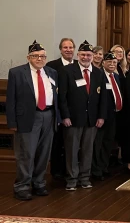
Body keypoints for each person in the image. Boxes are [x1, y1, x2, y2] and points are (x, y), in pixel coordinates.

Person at [7, 40, 59, 201]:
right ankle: (22, 186)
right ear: (28, 57)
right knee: (26, 154)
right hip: (28, 118)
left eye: (42, 56)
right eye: (35, 56)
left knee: (44, 153)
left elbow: (56, 95)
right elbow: (11, 100)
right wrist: (12, 122)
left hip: (49, 116)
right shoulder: (17, 72)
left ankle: (39, 183)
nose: (39, 59)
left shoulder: (51, 72)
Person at [58, 40, 107, 191]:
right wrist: (65, 116)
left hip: (92, 119)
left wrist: (101, 116)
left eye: (89, 55)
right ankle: (72, 179)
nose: (86, 57)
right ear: (77, 55)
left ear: (93, 56)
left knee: (88, 149)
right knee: (71, 149)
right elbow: (62, 97)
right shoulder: (67, 70)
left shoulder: (99, 73)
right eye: (83, 54)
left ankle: (85, 178)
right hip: (72, 119)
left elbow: (103, 97)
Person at [46, 38, 75, 180]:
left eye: (70, 47)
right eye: (65, 47)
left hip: (74, 112)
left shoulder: (78, 65)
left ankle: (68, 170)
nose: (68, 50)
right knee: (57, 142)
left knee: (71, 144)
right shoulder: (52, 66)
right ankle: (56, 171)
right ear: (60, 49)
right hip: (58, 111)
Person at [91, 52, 122, 181]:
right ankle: (96, 170)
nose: (112, 64)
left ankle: (104, 167)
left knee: (108, 143)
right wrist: (100, 116)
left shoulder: (116, 76)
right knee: (98, 144)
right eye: (109, 62)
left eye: (114, 62)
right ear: (103, 62)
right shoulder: (99, 75)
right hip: (102, 116)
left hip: (114, 116)